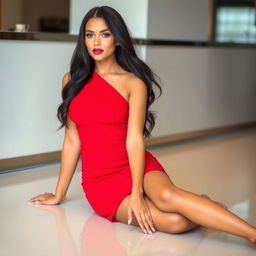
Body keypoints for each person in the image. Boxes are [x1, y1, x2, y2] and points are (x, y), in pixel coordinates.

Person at [29, 6, 256, 243]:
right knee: (174, 222)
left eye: (105, 34)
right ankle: (203, 205)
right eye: (90, 34)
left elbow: (134, 138)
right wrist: (59, 193)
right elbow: (72, 140)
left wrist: (137, 192)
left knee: (167, 196)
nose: (96, 41)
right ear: (83, 39)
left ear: (117, 39)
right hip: (101, 182)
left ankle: (252, 235)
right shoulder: (70, 81)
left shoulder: (133, 83)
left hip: (136, 163)